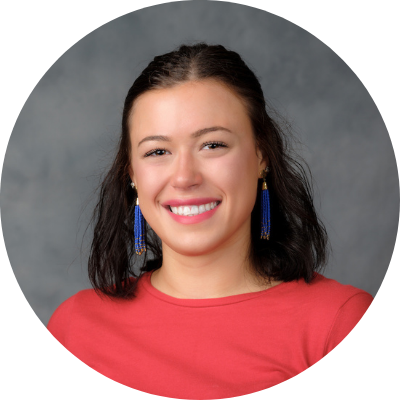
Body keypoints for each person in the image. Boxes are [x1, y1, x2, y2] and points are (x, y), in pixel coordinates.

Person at [48, 43, 373, 399]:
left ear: (261, 156)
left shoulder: (340, 324)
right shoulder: (75, 328)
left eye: (213, 145)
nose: (184, 177)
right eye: (157, 152)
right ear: (133, 175)